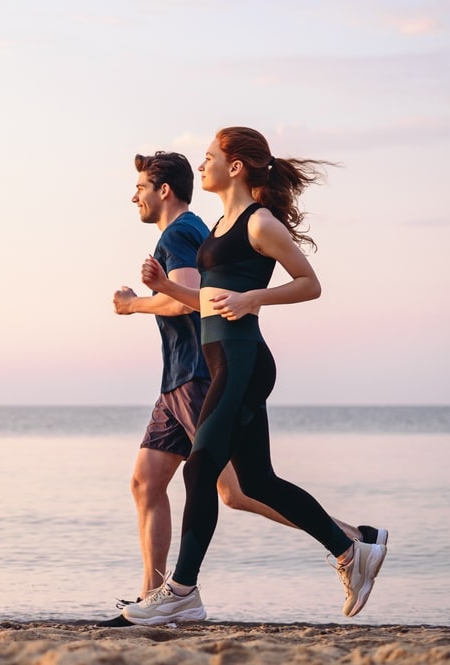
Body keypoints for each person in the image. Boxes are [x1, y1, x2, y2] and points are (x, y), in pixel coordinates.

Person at [122, 128, 387, 625]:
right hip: (225, 360)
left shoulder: (259, 222)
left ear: (235, 166)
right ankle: (352, 550)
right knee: (258, 481)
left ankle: (181, 591)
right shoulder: (220, 225)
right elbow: (210, 300)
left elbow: (310, 284)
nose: (202, 167)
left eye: (209, 158)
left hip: (242, 362)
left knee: (202, 471)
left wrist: (255, 299)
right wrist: (161, 291)